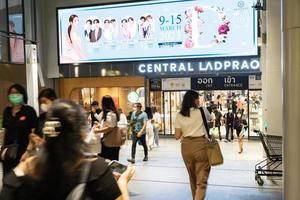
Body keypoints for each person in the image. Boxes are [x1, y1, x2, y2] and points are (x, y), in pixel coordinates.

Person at [0, 99, 135, 200]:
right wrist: (122, 182)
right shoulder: (96, 169)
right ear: (82, 133)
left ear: (47, 131)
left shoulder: (22, 171)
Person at [174, 90, 211, 200]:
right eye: (197, 99)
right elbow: (211, 118)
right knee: (201, 181)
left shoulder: (180, 115)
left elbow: (177, 136)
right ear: (195, 100)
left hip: (186, 147)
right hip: (201, 145)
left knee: (192, 177)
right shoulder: (202, 110)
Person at [0, 84, 38, 180]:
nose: (14, 95)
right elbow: (5, 131)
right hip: (9, 153)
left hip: (23, 153)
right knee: (8, 180)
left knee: (22, 182)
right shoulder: (7, 111)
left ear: (22, 95)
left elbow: (33, 133)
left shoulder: (29, 111)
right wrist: (2, 149)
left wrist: (28, 151)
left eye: (17, 93)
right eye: (12, 93)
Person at [98, 95, 121, 161]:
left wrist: (98, 131)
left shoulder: (110, 114)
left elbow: (110, 128)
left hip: (109, 141)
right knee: (107, 162)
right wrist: (100, 125)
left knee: (108, 162)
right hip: (109, 141)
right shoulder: (108, 113)